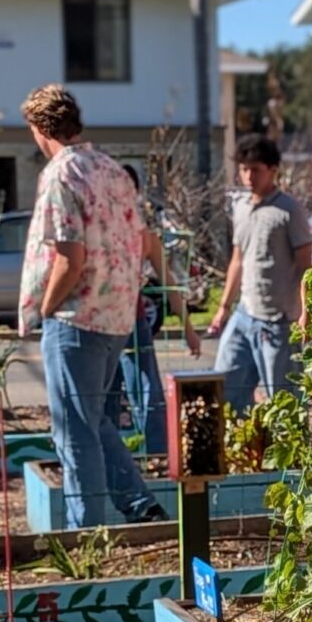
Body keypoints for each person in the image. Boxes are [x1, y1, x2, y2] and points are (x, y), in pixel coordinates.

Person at [18, 84, 165, 527]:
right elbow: (138, 240)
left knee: (74, 430)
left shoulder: (60, 174)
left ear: (41, 128)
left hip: (75, 316)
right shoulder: (113, 170)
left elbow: (68, 257)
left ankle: (87, 531)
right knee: (96, 419)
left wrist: (44, 307)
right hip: (116, 313)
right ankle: (139, 504)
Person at [209, 134, 312, 414]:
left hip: (278, 322)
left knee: (284, 406)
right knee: (223, 393)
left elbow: (306, 266)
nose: (248, 176)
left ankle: (290, 459)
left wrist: (306, 311)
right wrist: (223, 307)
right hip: (244, 315)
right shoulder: (240, 206)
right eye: (244, 169)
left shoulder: (289, 210)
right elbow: (237, 260)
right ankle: (238, 454)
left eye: (255, 169)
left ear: (272, 170)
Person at [110, 165, 200, 456]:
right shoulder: (95, 232)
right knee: (105, 397)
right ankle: (109, 459)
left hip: (132, 324)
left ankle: (158, 457)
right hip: (99, 326)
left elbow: (170, 286)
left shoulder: (143, 235)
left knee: (147, 395)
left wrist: (189, 331)